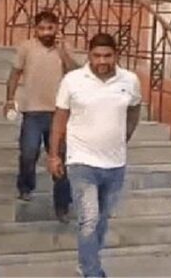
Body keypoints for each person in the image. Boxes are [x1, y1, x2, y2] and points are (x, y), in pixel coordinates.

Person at [48, 33, 142, 278]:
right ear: (89, 55)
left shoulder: (129, 80)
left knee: (102, 219)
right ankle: (92, 272)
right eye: (97, 55)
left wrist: (125, 135)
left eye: (107, 56)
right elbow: (59, 118)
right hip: (82, 162)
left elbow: (134, 108)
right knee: (88, 219)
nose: (102, 61)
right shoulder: (73, 80)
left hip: (115, 163)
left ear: (116, 55)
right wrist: (54, 155)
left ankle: (85, 263)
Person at [3, 11, 78, 223]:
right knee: (28, 153)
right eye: (42, 28)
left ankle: (62, 205)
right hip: (32, 111)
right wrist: (9, 99)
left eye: (50, 28)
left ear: (57, 28)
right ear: (36, 29)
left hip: (59, 112)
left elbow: (75, 73)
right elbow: (15, 74)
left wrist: (63, 52)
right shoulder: (26, 47)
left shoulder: (65, 48)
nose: (46, 32)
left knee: (60, 157)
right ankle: (25, 186)